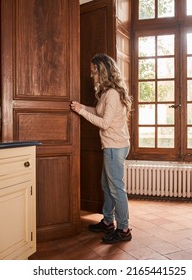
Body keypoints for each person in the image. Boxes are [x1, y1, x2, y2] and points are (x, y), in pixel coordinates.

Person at [70, 54, 133, 244]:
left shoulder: (113, 93)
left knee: (116, 189)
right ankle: (107, 222)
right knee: (107, 186)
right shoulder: (107, 92)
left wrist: (81, 112)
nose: (91, 75)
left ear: (102, 71)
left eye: (93, 71)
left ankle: (123, 229)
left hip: (115, 146)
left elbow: (104, 123)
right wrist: (83, 107)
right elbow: (99, 113)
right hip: (113, 145)